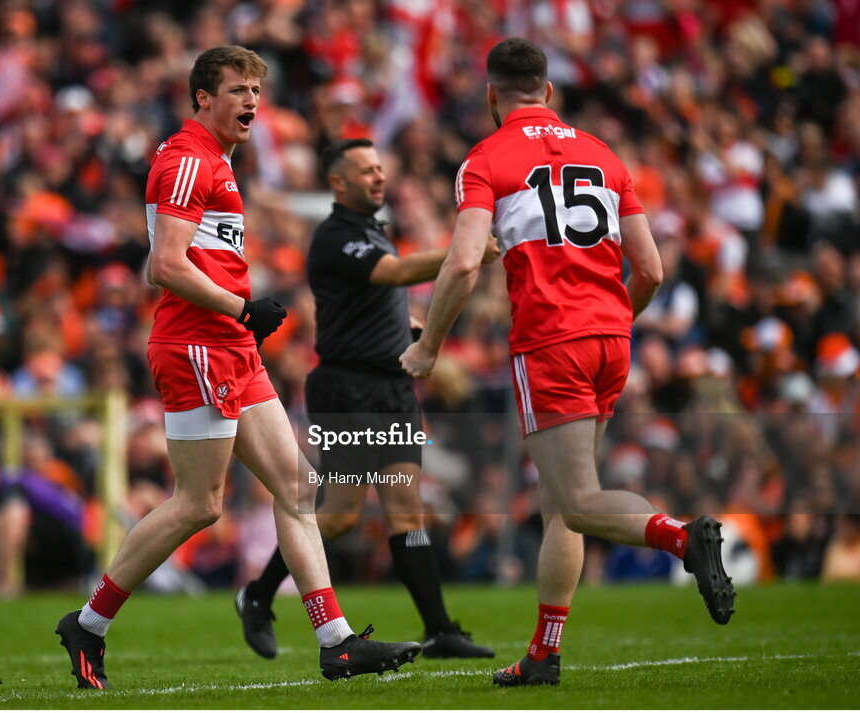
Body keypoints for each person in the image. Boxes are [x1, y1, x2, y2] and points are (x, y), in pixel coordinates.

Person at [54, 46, 421, 689]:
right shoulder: (187, 159)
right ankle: (89, 622)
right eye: (237, 89)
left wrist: (239, 317)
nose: (252, 100)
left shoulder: (215, 158)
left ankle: (335, 642)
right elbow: (163, 265)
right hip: (197, 344)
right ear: (202, 97)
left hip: (229, 344)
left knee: (298, 488)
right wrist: (241, 307)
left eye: (257, 88)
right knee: (200, 504)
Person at [399, 38, 736, 687]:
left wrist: (429, 345)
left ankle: (682, 536)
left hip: (551, 338)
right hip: (611, 334)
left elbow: (465, 260)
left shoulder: (487, 158)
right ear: (548, 92)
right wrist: (612, 321)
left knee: (577, 501)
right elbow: (652, 269)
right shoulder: (604, 154)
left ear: (493, 96)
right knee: (561, 500)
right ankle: (545, 652)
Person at [234, 138, 498, 660]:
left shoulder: (374, 230)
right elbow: (395, 275)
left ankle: (441, 630)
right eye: (367, 171)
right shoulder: (335, 235)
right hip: (348, 390)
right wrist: (461, 254)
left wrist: (405, 325)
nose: (379, 177)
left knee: (406, 510)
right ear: (338, 182)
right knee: (340, 515)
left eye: (381, 168)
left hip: (392, 388)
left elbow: (375, 301)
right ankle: (258, 596)